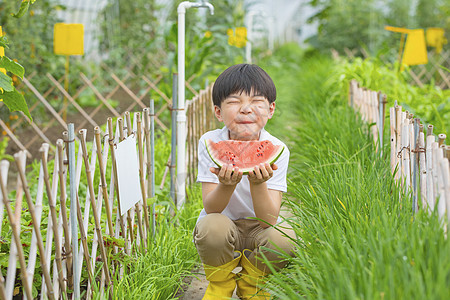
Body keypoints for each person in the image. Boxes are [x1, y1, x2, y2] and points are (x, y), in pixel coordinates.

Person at [194, 63, 296, 299]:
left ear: (270, 110)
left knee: (286, 239)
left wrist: (258, 183)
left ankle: (252, 282)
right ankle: (220, 284)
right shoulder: (209, 143)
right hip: (223, 226)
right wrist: (226, 185)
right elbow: (211, 208)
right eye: (234, 101)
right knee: (211, 226)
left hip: (260, 230)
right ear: (218, 112)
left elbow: (269, 219)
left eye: (256, 101)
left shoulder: (279, 149)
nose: (246, 109)